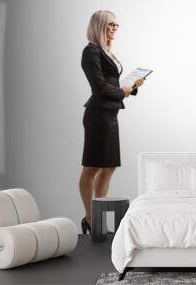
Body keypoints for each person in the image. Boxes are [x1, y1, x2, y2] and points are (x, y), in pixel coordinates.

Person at [79, 10, 144, 234]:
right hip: (98, 115)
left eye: (116, 25)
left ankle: (96, 213)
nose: (115, 29)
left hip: (110, 114)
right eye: (111, 25)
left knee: (109, 165)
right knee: (92, 166)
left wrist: (132, 87)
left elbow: (111, 84)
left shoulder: (104, 51)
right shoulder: (90, 52)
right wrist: (123, 91)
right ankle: (90, 218)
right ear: (99, 26)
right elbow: (99, 87)